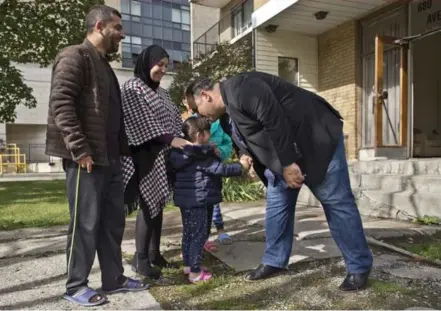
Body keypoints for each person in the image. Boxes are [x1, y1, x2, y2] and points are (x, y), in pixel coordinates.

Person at [185, 72, 373, 291]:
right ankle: (275, 260)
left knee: (335, 200)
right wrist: (246, 154)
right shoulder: (227, 111)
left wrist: (288, 163)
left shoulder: (242, 87)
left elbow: (274, 119)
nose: (198, 115)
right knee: (277, 204)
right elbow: (245, 134)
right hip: (284, 155)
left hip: (315, 139)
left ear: (206, 96)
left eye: (196, 108)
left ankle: (359, 266)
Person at [45, 5, 148, 307]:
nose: (123, 34)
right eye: (117, 28)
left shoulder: (103, 64)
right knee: (85, 224)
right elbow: (61, 103)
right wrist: (79, 149)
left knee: (112, 223)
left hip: (110, 160)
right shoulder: (74, 56)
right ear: (100, 26)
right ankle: (76, 285)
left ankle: (113, 278)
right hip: (86, 160)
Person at [121, 45, 190, 280]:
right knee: (147, 204)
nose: (162, 69)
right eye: (158, 64)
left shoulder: (162, 92)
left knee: (157, 204)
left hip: (163, 155)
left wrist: (185, 137)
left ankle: (154, 254)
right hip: (144, 154)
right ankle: (140, 260)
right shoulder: (133, 88)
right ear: (146, 62)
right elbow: (140, 121)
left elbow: (173, 119)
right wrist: (172, 139)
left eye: (165, 65)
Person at [169, 116, 250, 283]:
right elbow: (221, 169)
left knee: (189, 233)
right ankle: (195, 273)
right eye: (208, 133)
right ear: (200, 135)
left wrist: (209, 149)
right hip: (201, 200)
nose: (211, 137)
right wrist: (242, 166)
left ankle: (188, 266)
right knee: (200, 234)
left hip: (186, 200)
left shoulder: (181, 153)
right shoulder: (202, 155)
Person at [183, 97, 234, 248]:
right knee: (198, 216)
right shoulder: (190, 123)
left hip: (212, 175)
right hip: (198, 179)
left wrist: (220, 151)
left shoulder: (219, 123)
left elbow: (228, 142)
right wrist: (240, 168)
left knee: (213, 204)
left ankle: (207, 238)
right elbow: (185, 144)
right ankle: (195, 253)